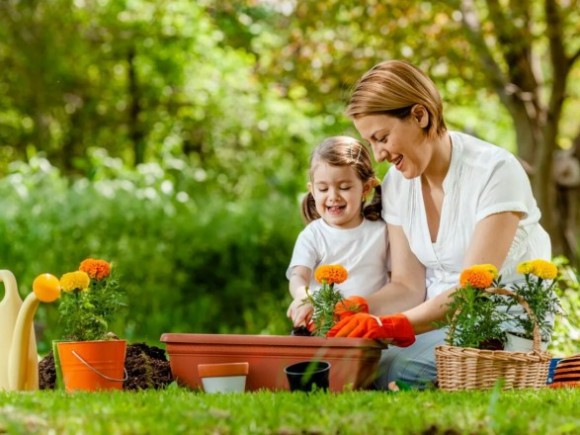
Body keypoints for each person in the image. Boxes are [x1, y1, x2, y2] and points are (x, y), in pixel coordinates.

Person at [327, 60, 552, 388]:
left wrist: (394, 326)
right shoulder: (397, 184)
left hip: (499, 328)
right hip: (431, 327)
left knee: (399, 370)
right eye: (371, 143)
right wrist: (359, 308)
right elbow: (407, 286)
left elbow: (472, 292)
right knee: (353, 362)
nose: (378, 155)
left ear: (420, 115)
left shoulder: (494, 171)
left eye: (382, 137)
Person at [286, 136, 389, 329]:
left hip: (365, 329)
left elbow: (396, 281)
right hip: (320, 328)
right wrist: (303, 297)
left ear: (365, 188)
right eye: (323, 188)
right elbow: (298, 276)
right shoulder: (313, 235)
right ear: (313, 191)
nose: (333, 196)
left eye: (344, 187)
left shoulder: (381, 233)